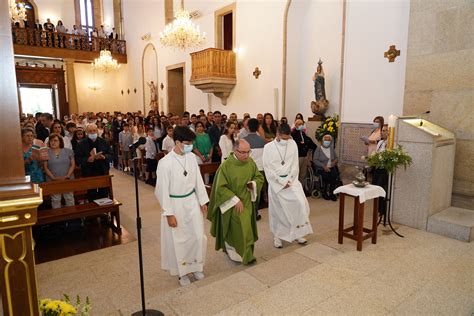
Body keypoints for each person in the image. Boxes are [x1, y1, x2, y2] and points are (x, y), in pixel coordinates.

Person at [155, 126, 209, 286]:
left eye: (191, 143)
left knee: (197, 236)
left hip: (191, 201)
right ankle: (182, 272)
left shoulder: (191, 157)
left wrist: (202, 200)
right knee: (180, 239)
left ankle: (197, 266)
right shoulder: (165, 163)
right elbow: (161, 190)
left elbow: (198, 180)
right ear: (177, 142)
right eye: (187, 143)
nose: (190, 146)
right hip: (175, 204)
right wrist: (169, 213)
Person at [207, 139, 264, 264]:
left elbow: (259, 177)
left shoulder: (250, 162)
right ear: (235, 150)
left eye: (248, 152)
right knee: (239, 226)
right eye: (242, 152)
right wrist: (235, 199)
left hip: (248, 201)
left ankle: (245, 253)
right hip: (231, 203)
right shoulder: (226, 166)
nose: (246, 155)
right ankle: (235, 251)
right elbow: (220, 188)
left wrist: (253, 184)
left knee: (247, 228)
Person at [263, 124, 313, 248]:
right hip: (276, 185)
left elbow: (294, 165)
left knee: (301, 204)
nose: (286, 141)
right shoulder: (268, 147)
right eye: (284, 138)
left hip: (291, 181)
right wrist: (281, 182)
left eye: (288, 138)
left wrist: (289, 181)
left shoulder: (292, 144)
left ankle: (298, 233)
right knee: (279, 211)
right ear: (277, 134)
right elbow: (267, 168)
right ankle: (278, 236)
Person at [75, 124, 112, 201]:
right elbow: (78, 159)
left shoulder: (104, 142)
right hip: (89, 173)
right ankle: (94, 212)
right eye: (90, 131)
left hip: (102, 171)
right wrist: (88, 159)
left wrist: (104, 157)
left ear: (97, 131)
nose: (92, 132)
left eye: (94, 130)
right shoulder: (81, 144)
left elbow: (111, 155)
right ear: (87, 132)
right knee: (91, 194)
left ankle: (104, 211)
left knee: (104, 193)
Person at [43, 133, 75, 209]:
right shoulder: (46, 152)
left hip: (67, 178)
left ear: (60, 142)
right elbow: (45, 167)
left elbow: (72, 165)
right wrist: (53, 178)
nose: (53, 142)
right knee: (55, 200)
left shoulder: (68, 151)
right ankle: (58, 219)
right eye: (51, 141)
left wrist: (68, 175)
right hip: (53, 180)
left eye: (55, 140)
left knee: (69, 198)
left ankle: (72, 218)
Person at [243, 118, 267, 220]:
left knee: (246, 193)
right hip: (260, 170)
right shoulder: (263, 141)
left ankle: (247, 213)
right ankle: (255, 213)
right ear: (258, 127)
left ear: (247, 127)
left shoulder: (243, 141)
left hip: (247, 170)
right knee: (257, 193)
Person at [291, 119, 316, 190]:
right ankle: (295, 190)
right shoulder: (292, 135)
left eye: (302, 124)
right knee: (296, 175)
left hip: (305, 157)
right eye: (299, 124)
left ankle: (301, 190)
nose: (301, 125)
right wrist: (304, 144)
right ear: (295, 125)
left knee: (303, 175)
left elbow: (312, 145)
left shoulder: (303, 134)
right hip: (297, 158)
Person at [313, 134, 339, 201]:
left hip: (331, 167)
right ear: (322, 140)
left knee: (334, 175)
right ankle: (324, 193)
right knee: (326, 176)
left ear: (330, 141)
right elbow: (315, 160)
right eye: (325, 140)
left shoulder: (331, 149)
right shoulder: (318, 149)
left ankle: (332, 193)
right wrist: (323, 166)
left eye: (328, 140)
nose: (327, 141)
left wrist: (335, 161)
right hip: (321, 168)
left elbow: (336, 158)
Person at [372, 124, 389, 215]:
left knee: (381, 187)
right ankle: (377, 208)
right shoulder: (380, 142)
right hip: (377, 167)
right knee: (375, 186)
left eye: (385, 130)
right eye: (382, 130)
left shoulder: (390, 143)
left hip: (384, 169)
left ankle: (382, 210)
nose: (382, 132)